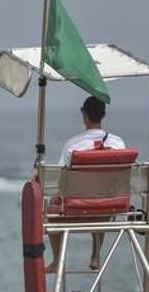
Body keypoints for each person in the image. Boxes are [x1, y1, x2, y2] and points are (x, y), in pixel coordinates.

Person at [45, 96, 127, 274]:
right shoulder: (118, 143)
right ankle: (96, 254)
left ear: (84, 114)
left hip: (77, 206)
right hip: (109, 207)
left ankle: (58, 260)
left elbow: (61, 179)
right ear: (103, 115)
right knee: (103, 197)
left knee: (51, 206)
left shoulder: (73, 144)